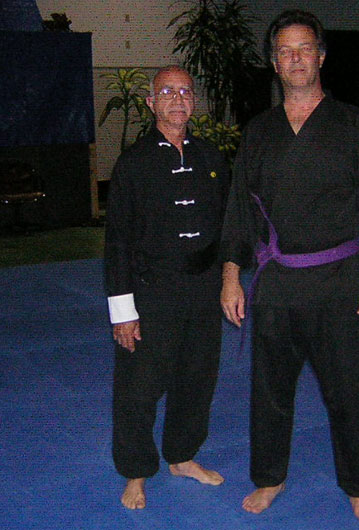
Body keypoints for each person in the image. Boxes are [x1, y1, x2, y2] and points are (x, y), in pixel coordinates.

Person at [220, 10, 359, 524]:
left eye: (304, 48)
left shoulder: (353, 124)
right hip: (276, 282)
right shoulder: (260, 131)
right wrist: (232, 277)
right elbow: (239, 210)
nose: (295, 58)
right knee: (270, 392)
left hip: (336, 281)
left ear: (321, 56)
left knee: (347, 392)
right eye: (285, 51)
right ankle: (269, 477)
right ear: (274, 63)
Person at [105, 65, 229, 510]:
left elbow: (230, 227)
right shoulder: (133, 164)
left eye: (185, 92)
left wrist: (230, 281)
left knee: (197, 378)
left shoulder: (212, 158)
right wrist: (124, 312)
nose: (178, 99)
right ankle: (136, 471)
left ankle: (182, 455)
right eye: (167, 92)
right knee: (139, 386)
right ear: (151, 102)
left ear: (194, 100)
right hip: (151, 290)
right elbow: (117, 241)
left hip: (205, 288)